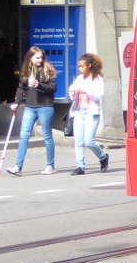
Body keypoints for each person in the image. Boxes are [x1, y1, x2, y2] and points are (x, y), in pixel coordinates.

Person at [7, 46, 57, 176]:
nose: (39, 60)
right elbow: (21, 88)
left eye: (41, 58)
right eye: (37, 58)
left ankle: (50, 166)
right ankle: (18, 167)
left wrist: (39, 85)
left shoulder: (47, 70)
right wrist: (17, 102)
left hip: (45, 106)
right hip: (30, 106)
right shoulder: (26, 70)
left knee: (47, 136)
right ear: (30, 58)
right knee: (24, 136)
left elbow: (53, 88)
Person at [67, 52, 109, 175]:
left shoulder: (98, 79)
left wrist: (86, 88)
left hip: (91, 113)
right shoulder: (79, 79)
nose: (80, 69)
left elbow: (97, 96)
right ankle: (80, 166)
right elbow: (74, 96)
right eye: (78, 66)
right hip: (79, 112)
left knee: (89, 141)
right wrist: (72, 93)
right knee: (78, 141)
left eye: (82, 66)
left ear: (89, 66)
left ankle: (103, 156)